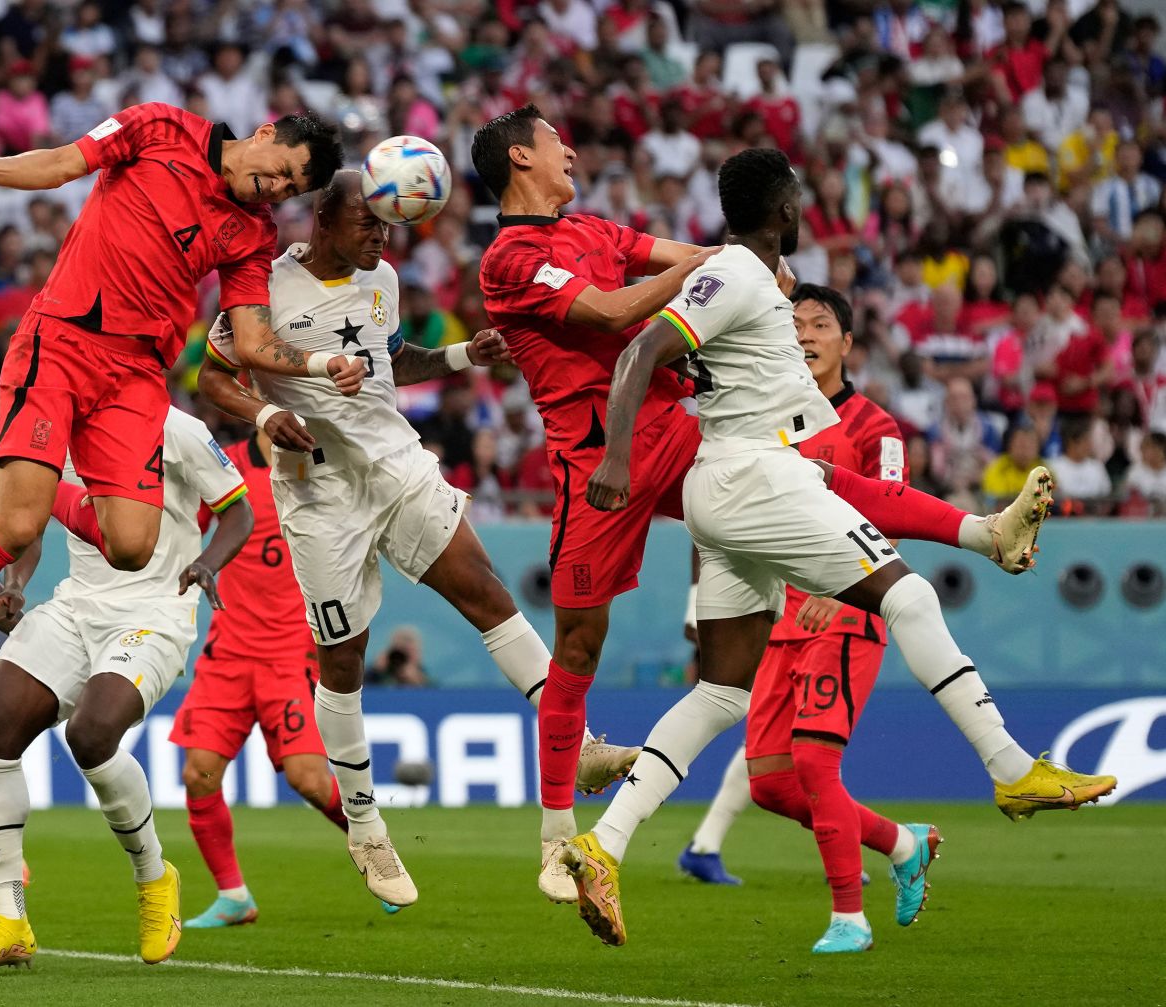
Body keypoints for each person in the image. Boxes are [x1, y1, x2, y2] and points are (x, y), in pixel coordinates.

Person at [470, 106, 1055, 903]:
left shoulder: (594, 230)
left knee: (805, 475)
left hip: (671, 430)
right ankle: (555, 838)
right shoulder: (509, 256)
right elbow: (614, 315)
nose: (569, 147)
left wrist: (727, 264)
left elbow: (681, 254)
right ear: (518, 157)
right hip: (595, 461)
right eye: (551, 141)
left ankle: (983, 531)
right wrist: (731, 267)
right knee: (578, 647)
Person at [567, 147, 1116, 950]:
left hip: (731, 478)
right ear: (786, 211)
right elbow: (638, 351)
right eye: (797, 197)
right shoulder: (742, 276)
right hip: (758, 476)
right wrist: (615, 459)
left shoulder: (744, 283)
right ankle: (1008, 767)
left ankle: (602, 844)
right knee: (910, 596)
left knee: (721, 693)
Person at [197, 169, 639, 909]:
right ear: (321, 221)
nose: (382, 235)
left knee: (488, 591)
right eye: (368, 224)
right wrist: (266, 416)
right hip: (319, 492)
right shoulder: (265, 285)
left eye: (388, 226)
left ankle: (581, 741)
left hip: (397, 466)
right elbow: (213, 378)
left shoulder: (385, 280)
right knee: (341, 661)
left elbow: (390, 358)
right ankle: (365, 825)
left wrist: (468, 354)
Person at [0, 101, 357, 754]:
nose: (276, 189)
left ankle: (43, 496)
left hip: (135, 377)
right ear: (266, 134)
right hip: (64, 338)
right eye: (281, 172)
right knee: (16, 527)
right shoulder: (160, 127)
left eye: (292, 191)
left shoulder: (251, 234)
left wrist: (324, 362)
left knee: (132, 544)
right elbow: (64, 163)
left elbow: (251, 340)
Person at [0, 407, 253, 974]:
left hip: (156, 611)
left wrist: (207, 563)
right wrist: (13, 584)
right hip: (76, 605)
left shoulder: (175, 428)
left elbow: (239, 513)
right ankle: (8, 921)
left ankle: (154, 875)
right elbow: (25, 521)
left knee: (91, 734)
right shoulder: (53, 430)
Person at [741, 284, 940, 954]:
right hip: (787, 612)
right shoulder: (773, 419)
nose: (804, 333)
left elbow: (892, 511)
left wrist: (851, 586)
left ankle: (849, 917)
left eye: (819, 324)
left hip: (848, 608)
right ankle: (902, 841)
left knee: (815, 764)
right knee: (769, 781)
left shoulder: (875, 427)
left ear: (847, 343)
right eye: (794, 322)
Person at [168, 426, 355, 928]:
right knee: (197, 774)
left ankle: (374, 849)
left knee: (310, 780)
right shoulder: (223, 462)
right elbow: (187, 523)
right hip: (228, 650)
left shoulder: (316, 461)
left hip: (290, 649)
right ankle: (234, 896)